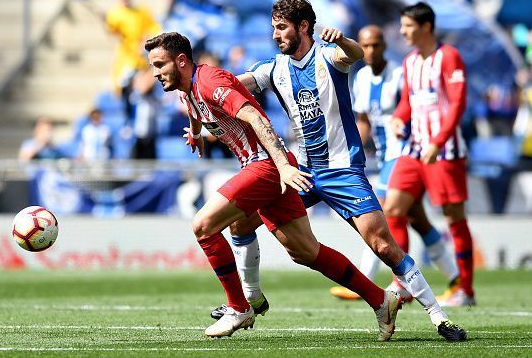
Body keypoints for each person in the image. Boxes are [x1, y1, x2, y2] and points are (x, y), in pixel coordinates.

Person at [211, 0, 466, 341]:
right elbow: (229, 87)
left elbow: (354, 55)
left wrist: (344, 39)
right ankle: (249, 300)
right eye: (273, 28)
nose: (275, 35)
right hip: (301, 172)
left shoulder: (330, 56)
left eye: (281, 28)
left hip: (343, 170)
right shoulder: (272, 68)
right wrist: (200, 89)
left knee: (383, 246)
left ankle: (439, 317)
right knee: (241, 221)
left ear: (303, 27)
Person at [146, 31, 402, 341]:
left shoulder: (211, 81)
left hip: (266, 166)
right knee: (306, 252)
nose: (155, 73)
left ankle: (239, 306)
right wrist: (197, 133)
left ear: (181, 61)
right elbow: (193, 106)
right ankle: (380, 299)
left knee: (203, 225)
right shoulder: (186, 88)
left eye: (159, 64)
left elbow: (255, 117)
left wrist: (282, 166)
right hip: (266, 168)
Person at [330, 25, 460, 301]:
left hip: (404, 154)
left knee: (384, 213)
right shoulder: (362, 78)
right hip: (385, 154)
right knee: (418, 220)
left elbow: (416, 110)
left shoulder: (400, 76)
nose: (371, 51)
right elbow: (364, 121)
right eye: (365, 45)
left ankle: (372, 282)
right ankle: (455, 278)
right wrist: (351, 152)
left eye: (376, 45)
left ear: (384, 47)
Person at [386, 2, 475, 307]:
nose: (403, 32)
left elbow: (458, 103)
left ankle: (465, 290)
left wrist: (438, 141)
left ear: (425, 27)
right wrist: (398, 119)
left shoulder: (449, 57)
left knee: (453, 217)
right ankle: (402, 284)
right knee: (393, 208)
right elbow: (408, 103)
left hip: (444, 151)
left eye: (408, 26)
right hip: (414, 149)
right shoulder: (410, 62)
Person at [106, 0, 161, 95]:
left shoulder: (141, 12)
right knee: (122, 85)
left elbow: (154, 27)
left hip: (141, 57)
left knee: (140, 87)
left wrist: (146, 39)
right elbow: (111, 30)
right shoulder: (115, 14)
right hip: (127, 56)